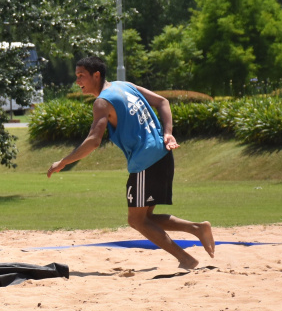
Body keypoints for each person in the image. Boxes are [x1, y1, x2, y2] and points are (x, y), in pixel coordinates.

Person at [47, 55, 215, 269]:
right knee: (145, 217)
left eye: (81, 75)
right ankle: (197, 228)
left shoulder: (102, 102)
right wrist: (167, 133)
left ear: (96, 75)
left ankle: (187, 259)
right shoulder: (124, 86)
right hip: (162, 154)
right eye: (76, 75)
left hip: (146, 161)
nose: (77, 80)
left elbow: (94, 140)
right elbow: (163, 101)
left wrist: (64, 161)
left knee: (136, 220)